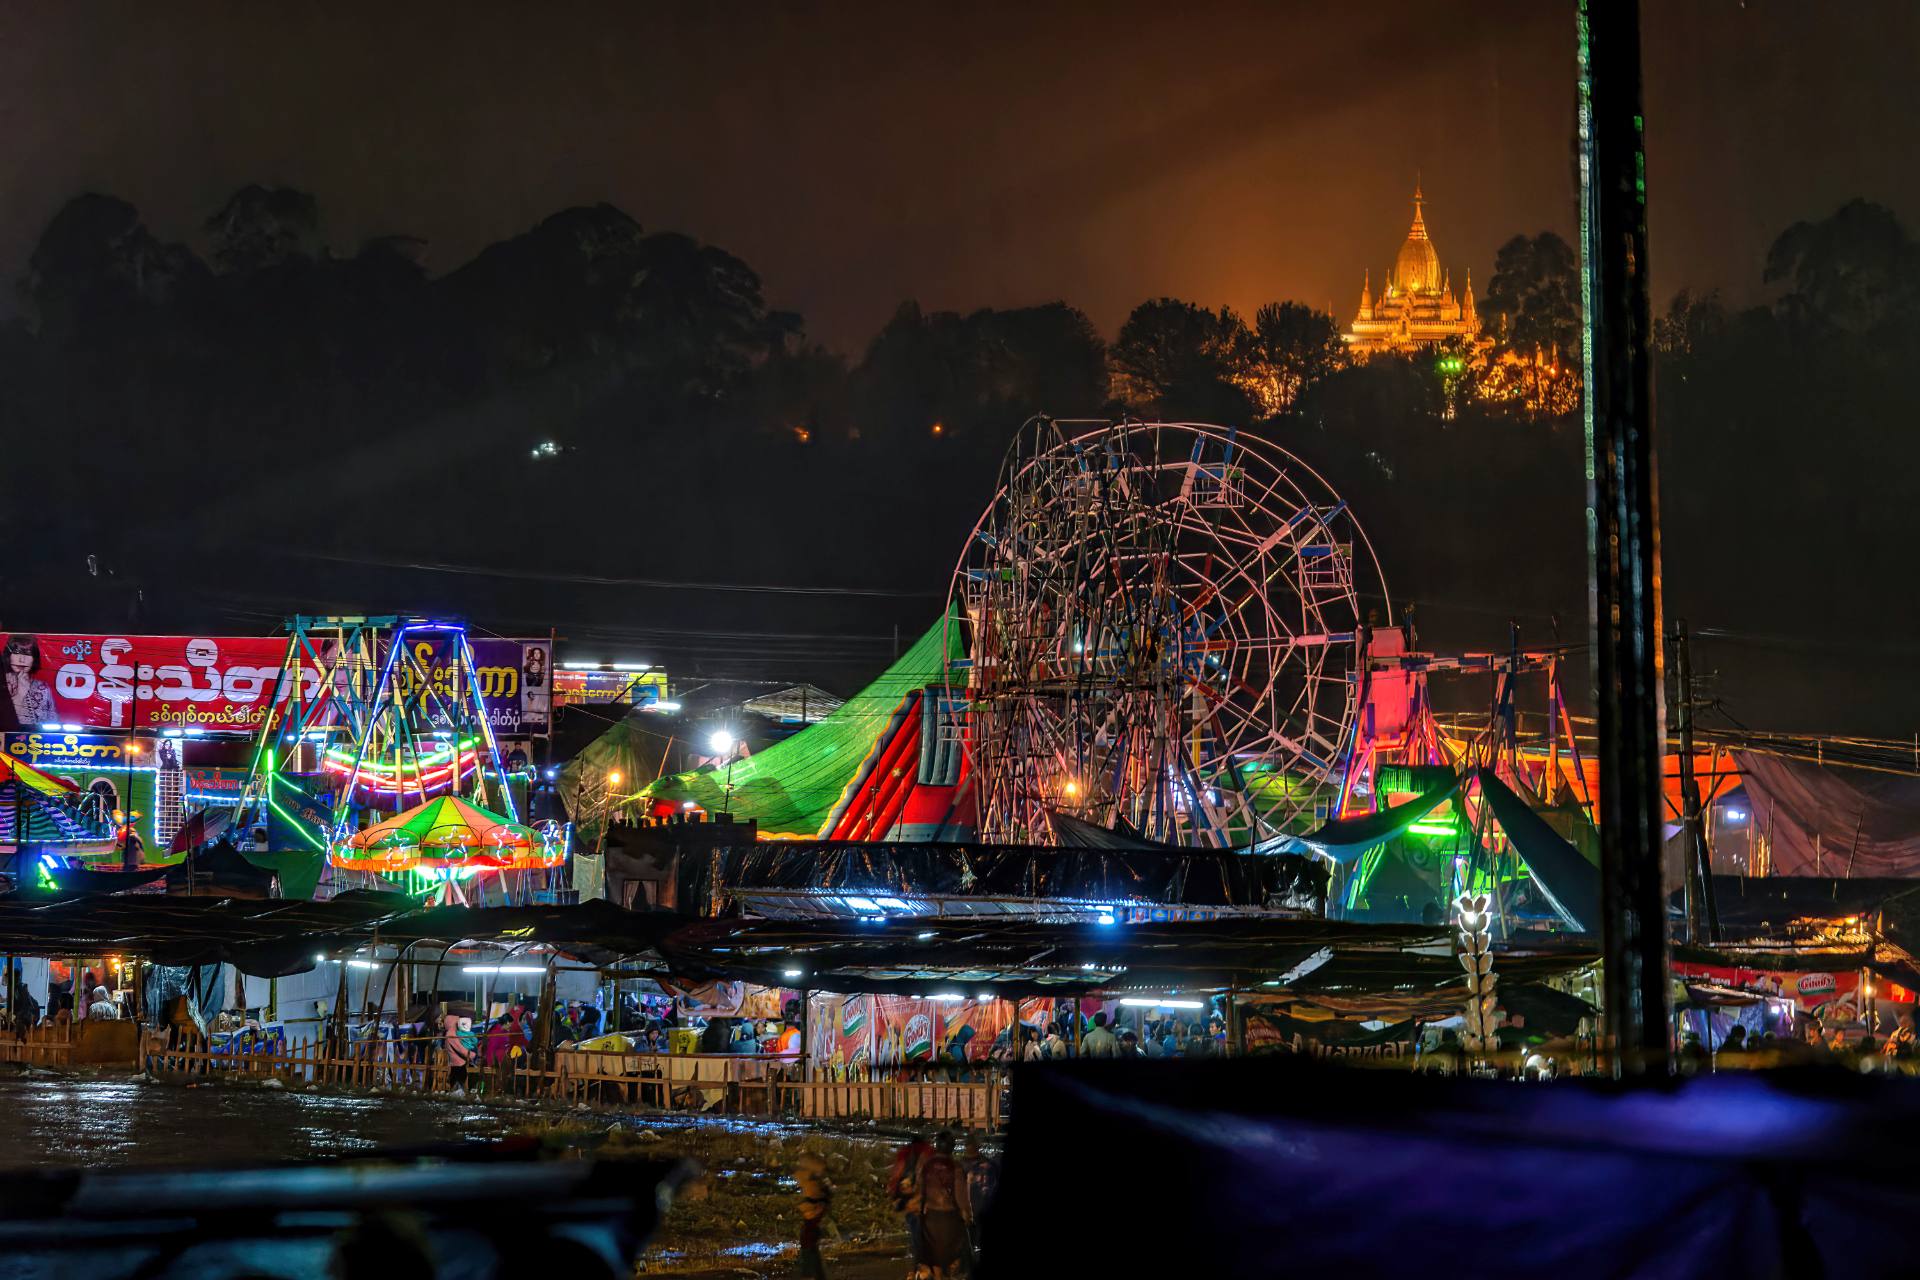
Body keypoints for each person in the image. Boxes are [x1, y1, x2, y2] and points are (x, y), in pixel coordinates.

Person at [915, 1130, 965, 1279]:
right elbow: (960, 1194)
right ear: (952, 1147)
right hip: (949, 1215)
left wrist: (920, 1207)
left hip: (931, 1215)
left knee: (934, 1252)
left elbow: (920, 1186)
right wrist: (966, 1213)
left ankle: (937, 1277)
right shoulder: (955, 1166)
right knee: (951, 1251)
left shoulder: (927, 1164)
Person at [886, 1133, 933, 1274]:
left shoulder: (905, 1153)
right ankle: (925, 1267)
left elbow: (896, 1175)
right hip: (924, 1203)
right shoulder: (928, 1153)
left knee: (916, 1235)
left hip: (908, 1202)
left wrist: (895, 1196)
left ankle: (919, 1266)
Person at [793, 1152, 833, 1279]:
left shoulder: (814, 1183)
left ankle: (810, 1275)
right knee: (811, 1250)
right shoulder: (817, 1182)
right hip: (812, 1224)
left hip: (812, 1224)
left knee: (809, 1248)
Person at [2, 635, 55, 729]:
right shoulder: (2, 685)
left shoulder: (42, 688)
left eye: (27, 653)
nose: (22, 660)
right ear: (9, 656)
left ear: (34, 658)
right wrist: (19, 696)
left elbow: (52, 723)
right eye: (16, 652)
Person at [443, 1012, 475, 1094]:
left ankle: (451, 1094)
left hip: (458, 1062)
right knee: (461, 1082)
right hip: (459, 1063)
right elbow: (461, 1049)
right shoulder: (451, 1035)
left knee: (454, 1082)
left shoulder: (455, 1033)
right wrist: (472, 1055)